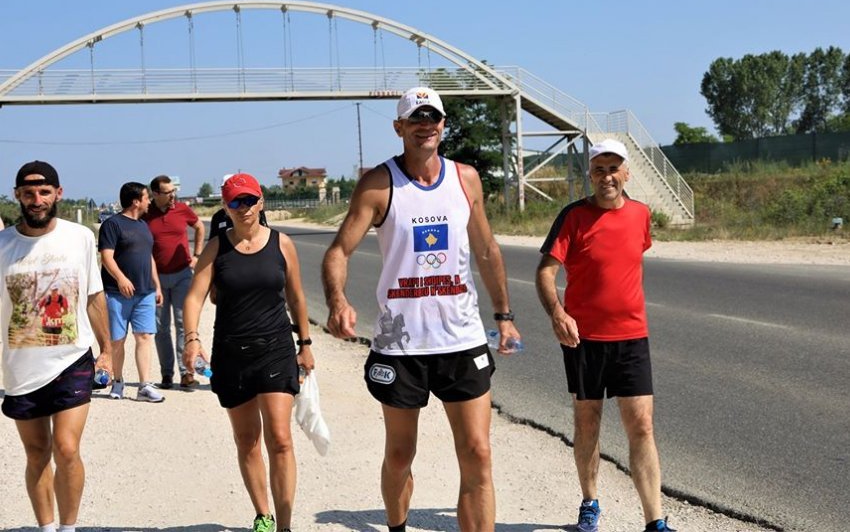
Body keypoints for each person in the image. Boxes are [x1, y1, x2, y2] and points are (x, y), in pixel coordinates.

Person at [322, 87, 520, 532]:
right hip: (400, 346)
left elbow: (486, 249)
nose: (425, 125)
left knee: (478, 453)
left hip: (462, 338)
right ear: (400, 128)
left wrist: (503, 316)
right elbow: (338, 251)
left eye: (433, 117)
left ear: (443, 125)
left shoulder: (465, 179)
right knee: (399, 455)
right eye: (416, 118)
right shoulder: (378, 184)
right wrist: (337, 301)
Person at [535, 139, 676, 532]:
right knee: (587, 423)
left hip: (632, 337)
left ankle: (655, 520)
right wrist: (557, 313)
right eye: (599, 169)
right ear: (590, 175)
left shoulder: (641, 215)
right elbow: (545, 273)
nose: (607, 176)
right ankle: (590, 501)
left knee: (642, 426)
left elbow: (627, 261)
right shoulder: (573, 217)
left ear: (627, 173)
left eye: (614, 168)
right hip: (585, 341)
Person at [182, 172, 314, 532]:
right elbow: (194, 297)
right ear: (225, 206)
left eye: (250, 200)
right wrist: (191, 338)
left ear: (262, 202)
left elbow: (297, 297)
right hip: (231, 353)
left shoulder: (282, 244)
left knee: (281, 439)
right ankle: (263, 516)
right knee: (247, 440)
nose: (244, 208)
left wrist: (305, 345)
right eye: (236, 202)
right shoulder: (216, 248)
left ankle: (284, 525)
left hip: (275, 349)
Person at [0, 160, 112, 532]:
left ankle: (69, 528)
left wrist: (107, 350)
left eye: (44, 192)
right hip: (21, 367)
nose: (37, 200)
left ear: (58, 194)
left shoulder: (79, 237)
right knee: (36, 454)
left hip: (71, 358)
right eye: (29, 193)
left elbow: (95, 297)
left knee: (66, 448)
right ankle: (46, 527)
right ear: (17, 195)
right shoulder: (3, 246)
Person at [98, 182, 164, 403]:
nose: (149, 201)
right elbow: (106, 256)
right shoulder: (112, 225)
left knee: (144, 337)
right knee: (117, 340)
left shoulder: (144, 226)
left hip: (145, 292)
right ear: (136, 201)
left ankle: (145, 385)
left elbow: (149, 257)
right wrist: (121, 278)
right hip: (117, 293)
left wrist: (157, 285)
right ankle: (117, 382)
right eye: (147, 197)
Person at [143, 174, 205, 389]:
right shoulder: (146, 213)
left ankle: (186, 372)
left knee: (183, 324)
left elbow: (199, 227)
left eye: (173, 191)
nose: (172, 196)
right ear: (156, 194)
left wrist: (196, 255)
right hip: (156, 279)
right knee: (160, 328)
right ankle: (166, 374)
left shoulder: (181, 209)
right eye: (168, 192)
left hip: (182, 275)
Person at [209, 173, 268, 242]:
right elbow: (212, 239)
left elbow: (264, 228)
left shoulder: (256, 212)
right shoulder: (218, 216)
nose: (242, 208)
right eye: (223, 188)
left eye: (249, 201)